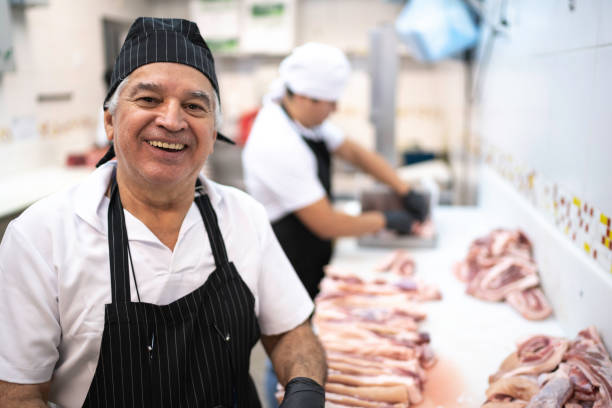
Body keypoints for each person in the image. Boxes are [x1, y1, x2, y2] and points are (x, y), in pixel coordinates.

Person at [0, 18, 326, 408]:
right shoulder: (42, 236)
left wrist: (305, 387)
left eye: (194, 106)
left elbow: (291, 331)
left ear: (213, 131)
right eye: (149, 99)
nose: (172, 121)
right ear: (109, 119)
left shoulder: (243, 216)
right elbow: (17, 395)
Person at [241, 42, 429, 407]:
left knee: (312, 337)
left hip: (308, 251)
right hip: (286, 257)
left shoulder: (302, 120)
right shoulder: (276, 141)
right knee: (287, 342)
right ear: (308, 97)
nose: (336, 109)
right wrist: (388, 219)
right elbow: (326, 222)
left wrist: (403, 188)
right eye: (331, 101)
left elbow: (354, 152)